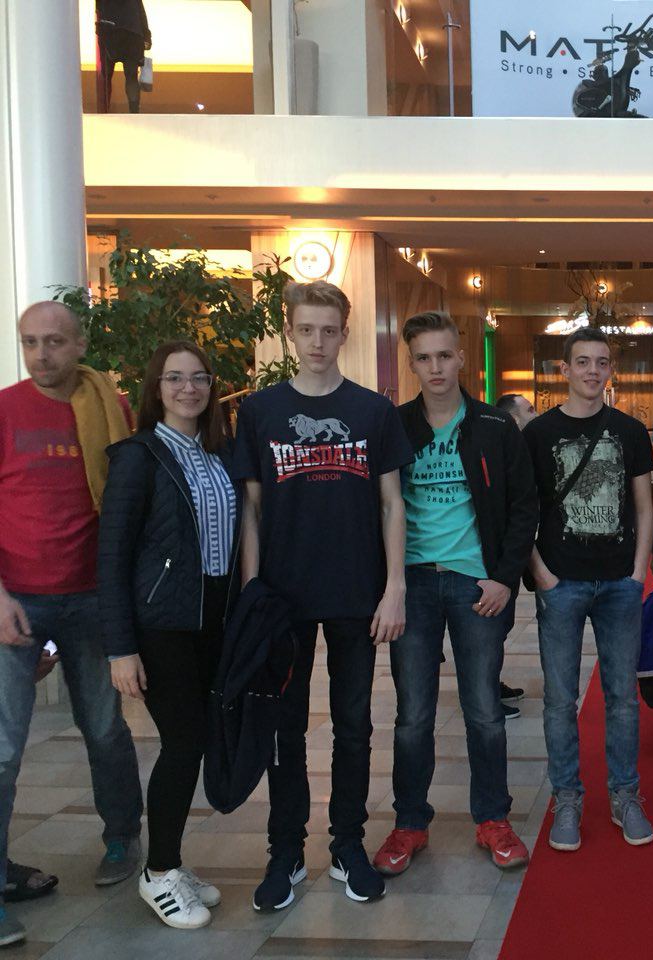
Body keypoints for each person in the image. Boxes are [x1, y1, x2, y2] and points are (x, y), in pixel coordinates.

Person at [231, 281, 413, 909]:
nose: (317, 342)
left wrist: (394, 587)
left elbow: (392, 503)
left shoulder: (372, 411)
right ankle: (285, 851)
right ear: (289, 332)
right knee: (285, 729)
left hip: (356, 593)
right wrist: (253, 593)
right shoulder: (259, 411)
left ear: (344, 333)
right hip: (283, 599)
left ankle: (347, 845)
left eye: (328, 330)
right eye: (306, 330)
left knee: (354, 725)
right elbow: (251, 511)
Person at [0, 302, 145, 948]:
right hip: (16, 602)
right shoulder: (5, 410)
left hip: (93, 598)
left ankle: (122, 837)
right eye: (31, 342)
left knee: (106, 730)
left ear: (80, 344)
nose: (42, 354)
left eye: (55, 341)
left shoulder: (112, 409)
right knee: (3, 749)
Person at [374, 312, 538, 877]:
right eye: (424, 358)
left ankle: (492, 818)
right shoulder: (396, 427)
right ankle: (409, 823)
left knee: (485, 710)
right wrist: (388, 587)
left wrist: (504, 577)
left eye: (444, 355)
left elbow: (524, 506)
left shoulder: (494, 425)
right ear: (411, 362)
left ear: (461, 357)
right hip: (414, 583)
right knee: (413, 714)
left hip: (476, 585)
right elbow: (380, 508)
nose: (436, 368)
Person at [98, 341, 238, 929]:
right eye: (175, 378)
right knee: (183, 743)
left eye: (199, 378)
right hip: (161, 628)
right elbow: (112, 557)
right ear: (156, 388)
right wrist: (121, 648)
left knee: (195, 742)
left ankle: (171, 862)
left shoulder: (217, 453)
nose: (188, 388)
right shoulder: (139, 456)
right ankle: (157, 873)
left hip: (210, 625)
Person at [524, 327, 653, 852]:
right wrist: (540, 572)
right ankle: (567, 797)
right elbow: (523, 509)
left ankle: (625, 794)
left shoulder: (630, 430)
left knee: (623, 698)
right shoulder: (538, 434)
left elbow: (644, 504)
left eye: (601, 362)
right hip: (561, 581)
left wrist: (639, 570)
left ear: (610, 370)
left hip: (620, 582)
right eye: (582, 362)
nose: (592, 371)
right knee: (560, 699)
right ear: (564, 369)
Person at [492, 392, 539, 718]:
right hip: (495, 557)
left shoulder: (520, 448)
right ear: (513, 418)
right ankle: (485, 693)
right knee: (492, 627)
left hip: (512, 553)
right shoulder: (498, 450)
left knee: (502, 625)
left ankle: (491, 683)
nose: (536, 414)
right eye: (530, 409)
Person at [96, 0, 151, 114]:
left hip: (109, 31)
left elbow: (99, 9)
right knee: (131, 77)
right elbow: (140, 10)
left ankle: (104, 110)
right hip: (132, 33)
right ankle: (134, 111)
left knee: (106, 76)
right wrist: (147, 36)